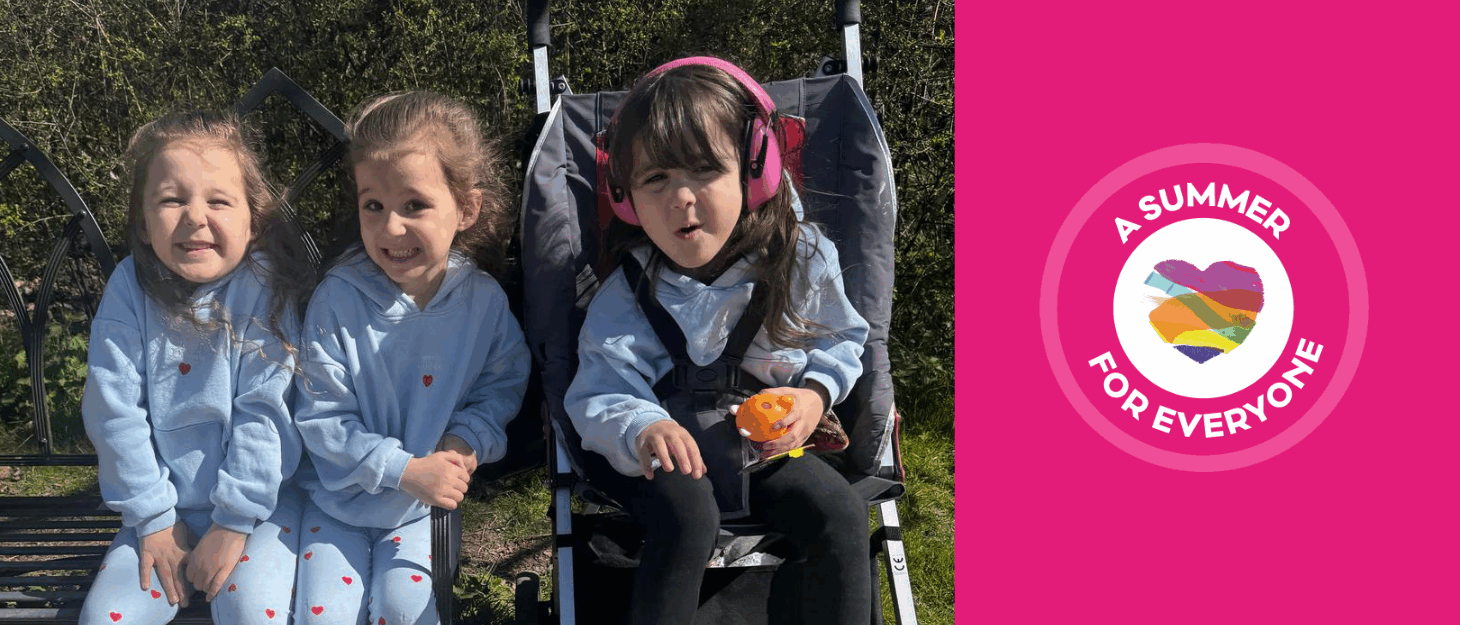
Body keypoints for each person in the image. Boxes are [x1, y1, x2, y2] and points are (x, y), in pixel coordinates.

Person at [565, 57, 873, 625]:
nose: (679, 197)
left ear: (754, 173)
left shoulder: (799, 261)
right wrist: (641, 426)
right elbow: (599, 387)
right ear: (626, 197)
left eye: (703, 170)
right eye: (655, 179)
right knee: (686, 517)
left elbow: (843, 340)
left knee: (840, 512)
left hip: (764, 450)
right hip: (665, 454)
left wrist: (813, 395)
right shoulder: (630, 289)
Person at [291, 91, 529, 625]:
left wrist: (467, 441)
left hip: (422, 511)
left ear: (466, 209)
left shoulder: (483, 300)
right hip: (335, 505)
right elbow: (322, 417)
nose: (390, 228)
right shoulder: (338, 297)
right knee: (322, 615)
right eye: (373, 205)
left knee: (408, 611)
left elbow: (502, 384)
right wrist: (403, 469)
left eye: (414, 205)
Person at [79, 110, 311, 624]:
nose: (194, 217)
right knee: (106, 618)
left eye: (219, 201)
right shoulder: (128, 288)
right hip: (159, 512)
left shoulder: (264, 289)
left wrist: (232, 522)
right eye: (171, 199)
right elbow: (114, 409)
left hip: (262, 509)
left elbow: (266, 411)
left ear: (254, 220)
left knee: (252, 609)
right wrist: (155, 521)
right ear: (142, 221)